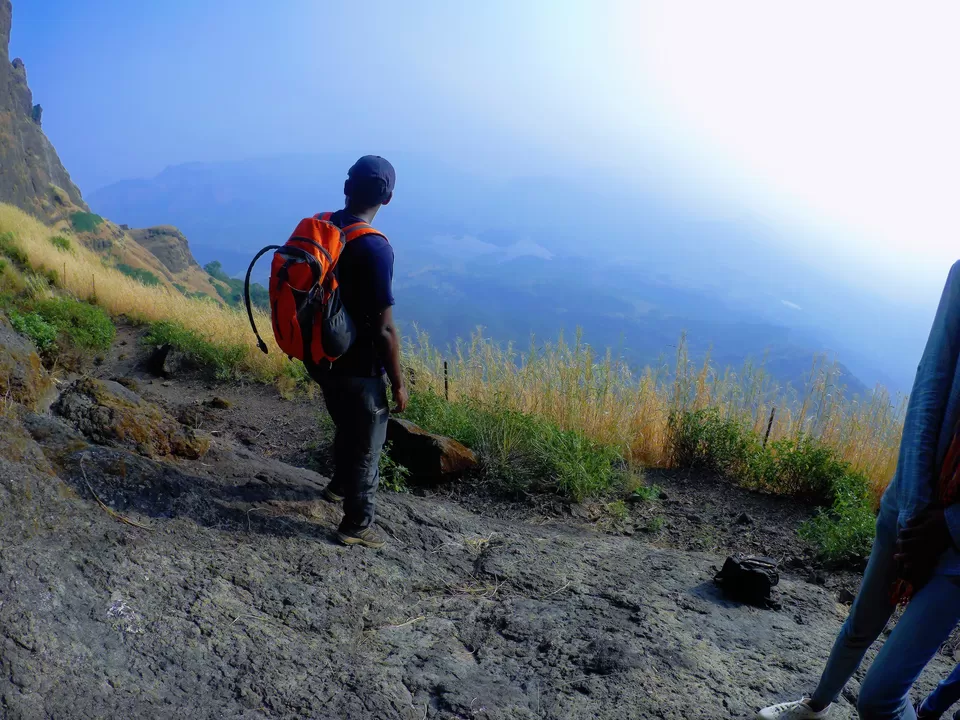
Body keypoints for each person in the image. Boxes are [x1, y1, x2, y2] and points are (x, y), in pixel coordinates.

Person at [757, 261, 960, 720]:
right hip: (909, 505)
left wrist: (946, 526)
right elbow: (929, 386)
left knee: (881, 698)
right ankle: (814, 706)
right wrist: (916, 515)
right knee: (859, 626)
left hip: (956, 552)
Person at [308, 155, 408, 550]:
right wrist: (398, 383)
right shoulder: (375, 250)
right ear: (388, 198)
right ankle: (356, 525)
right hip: (359, 366)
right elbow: (384, 329)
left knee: (345, 423)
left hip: (319, 356)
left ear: (346, 188)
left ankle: (336, 486)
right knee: (369, 441)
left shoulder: (322, 225)